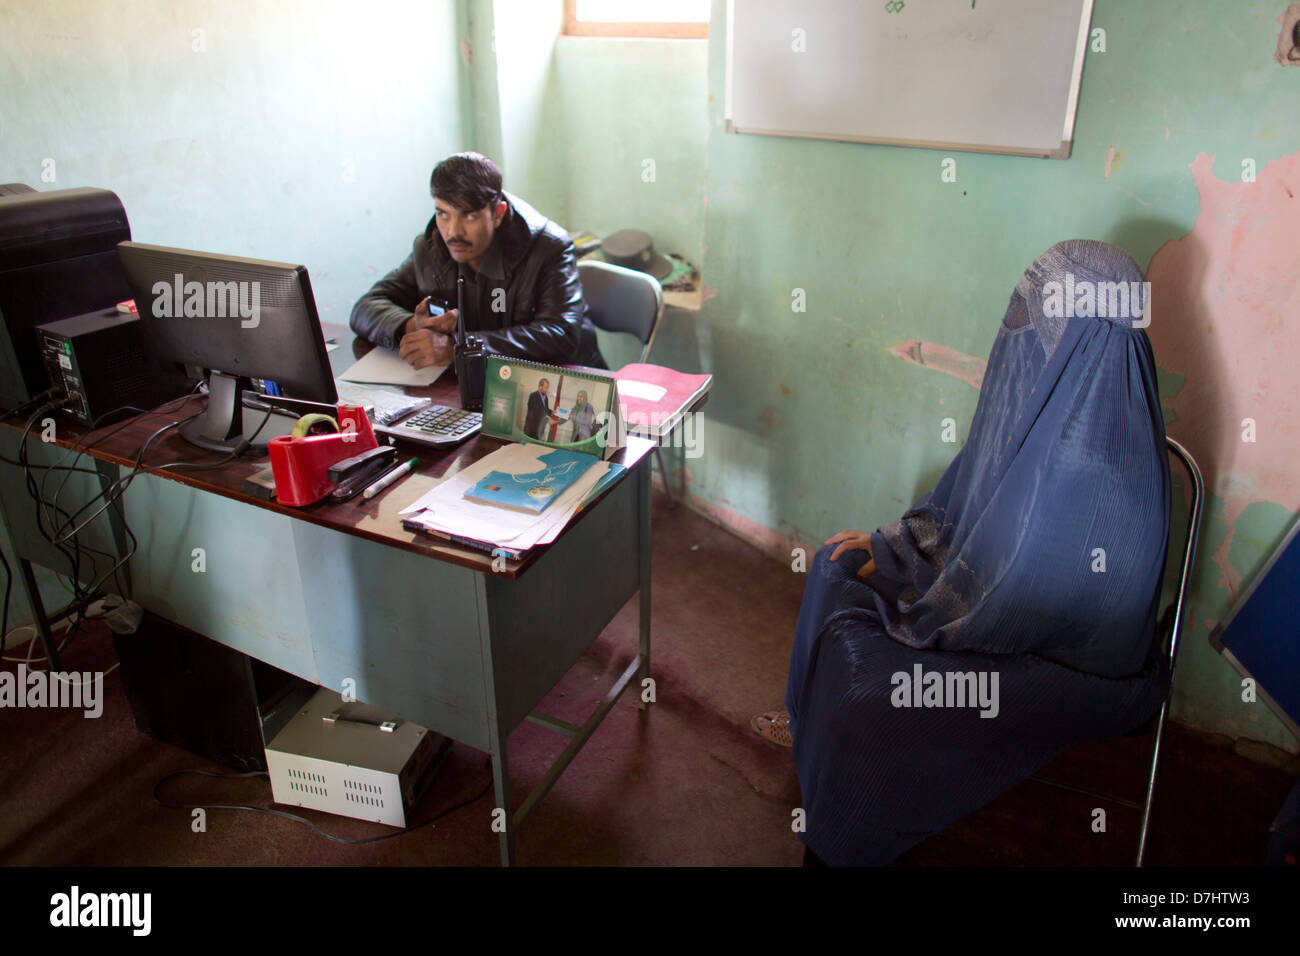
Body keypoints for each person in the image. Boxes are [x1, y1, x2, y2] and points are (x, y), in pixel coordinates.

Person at [765, 240, 1173, 866]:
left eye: (1040, 314)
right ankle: (808, 740)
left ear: (1084, 331)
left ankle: (836, 841)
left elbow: (1033, 605)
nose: (1019, 327)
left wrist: (923, 606)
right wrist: (893, 548)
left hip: (1052, 660)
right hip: (990, 599)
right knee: (835, 568)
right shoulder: (1049, 399)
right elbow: (968, 505)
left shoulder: (1102, 470)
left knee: (867, 700)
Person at [349, 151, 605, 369]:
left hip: (565, 388)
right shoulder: (432, 245)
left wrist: (457, 348)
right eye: (443, 214)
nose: (453, 231)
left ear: (497, 214)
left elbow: (559, 335)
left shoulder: (548, 247)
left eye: (468, 216)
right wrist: (411, 325)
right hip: (474, 385)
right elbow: (366, 306)